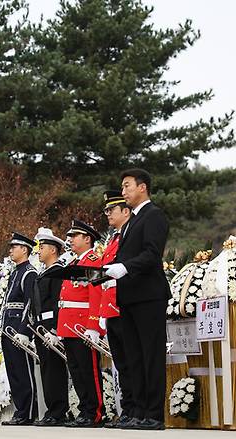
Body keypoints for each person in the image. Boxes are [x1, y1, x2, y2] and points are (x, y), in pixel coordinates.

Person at [103, 169, 170, 430]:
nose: (124, 192)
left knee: (150, 355)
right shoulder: (131, 221)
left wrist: (125, 267)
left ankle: (154, 415)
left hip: (149, 296)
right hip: (129, 297)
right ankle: (138, 412)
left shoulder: (154, 216)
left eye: (127, 186)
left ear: (142, 187)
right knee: (134, 357)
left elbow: (152, 254)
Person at [57, 220, 105, 428]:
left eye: (74, 236)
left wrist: (94, 325)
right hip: (69, 325)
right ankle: (84, 410)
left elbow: (96, 294)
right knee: (76, 370)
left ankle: (94, 412)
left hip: (83, 325)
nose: (70, 240)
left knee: (89, 370)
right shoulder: (74, 263)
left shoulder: (94, 260)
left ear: (87, 239)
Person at [98, 190, 135, 428]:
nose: (108, 214)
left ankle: (135, 410)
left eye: (112, 210)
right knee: (121, 363)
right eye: (106, 210)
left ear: (125, 211)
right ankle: (128, 410)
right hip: (111, 309)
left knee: (132, 361)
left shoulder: (129, 237)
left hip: (124, 307)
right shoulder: (112, 239)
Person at [32, 227, 70, 427]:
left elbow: (58, 301)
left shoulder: (57, 272)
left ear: (53, 250)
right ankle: (52, 410)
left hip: (52, 329)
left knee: (54, 370)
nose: (38, 251)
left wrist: (55, 329)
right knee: (46, 370)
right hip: (40, 327)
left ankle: (58, 411)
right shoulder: (43, 273)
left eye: (42, 247)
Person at [0, 232, 39, 426]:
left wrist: (25, 331)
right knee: (13, 371)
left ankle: (28, 412)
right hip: (8, 327)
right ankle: (20, 411)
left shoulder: (29, 272)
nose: (10, 250)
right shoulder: (16, 271)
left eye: (14, 247)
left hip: (19, 329)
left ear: (24, 249)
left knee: (23, 372)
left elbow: (31, 304)